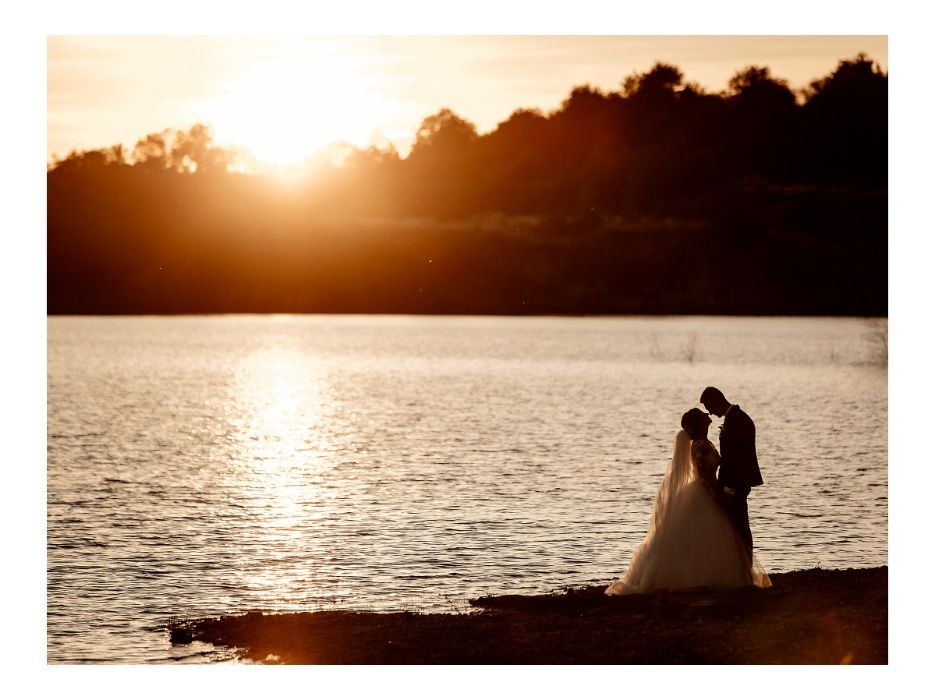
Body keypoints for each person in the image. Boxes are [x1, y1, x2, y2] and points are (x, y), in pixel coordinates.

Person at [605, 408, 770, 595]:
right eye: (703, 416)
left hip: (710, 488)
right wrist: (717, 496)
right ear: (698, 424)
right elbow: (704, 474)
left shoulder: (705, 442)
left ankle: (710, 574)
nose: (708, 417)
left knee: (708, 537)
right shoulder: (699, 445)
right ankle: (696, 577)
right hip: (706, 492)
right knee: (702, 535)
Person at [699, 386, 763, 561]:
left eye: (709, 407)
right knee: (735, 526)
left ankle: (744, 567)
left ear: (716, 400)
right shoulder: (735, 419)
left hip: (735, 484)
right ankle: (740, 566)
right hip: (735, 483)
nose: (710, 413)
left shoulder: (738, 421)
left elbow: (738, 459)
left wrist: (729, 489)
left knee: (740, 525)